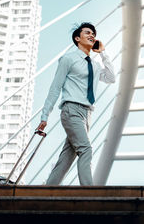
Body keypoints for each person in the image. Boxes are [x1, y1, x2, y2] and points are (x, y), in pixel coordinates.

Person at [36, 22, 115, 185]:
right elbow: (55, 88)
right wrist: (45, 116)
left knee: (67, 157)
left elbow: (111, 78)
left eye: (93, 33)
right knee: (85, 149)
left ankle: (48, 189)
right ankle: (89, 193)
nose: (92, 35)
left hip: (87, 114)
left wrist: (103, 53)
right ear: (77, 38)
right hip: (71, 110)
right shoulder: (68, 59)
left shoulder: (94, 65)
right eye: (87, 32)